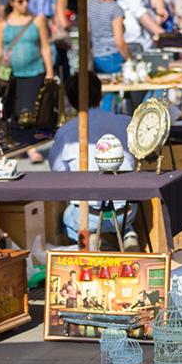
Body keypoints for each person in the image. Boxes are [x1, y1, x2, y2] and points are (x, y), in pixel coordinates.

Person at [48, 72, 137, 249]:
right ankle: (127, 232)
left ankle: (89, 242)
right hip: (125, 212)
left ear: (72, 100)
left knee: (65, 217)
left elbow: (57, 171)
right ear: (100, 94)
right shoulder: (126, 122)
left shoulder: (66, 132)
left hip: (88, 214)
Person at [0, 0, 54, 119]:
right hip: (9, 75)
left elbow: (45, 47)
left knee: (27, 112)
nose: (25, 4)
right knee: (10, 112)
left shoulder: (38, 20)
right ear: (11, 3)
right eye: (20, 1)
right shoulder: (3, 23)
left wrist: (49, 72)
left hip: (33, 72)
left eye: (27, 0)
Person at [89, 0, 131, 111]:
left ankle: (99, 119)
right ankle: (109, 123)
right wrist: (129, 58)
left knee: (99, 91)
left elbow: (88, 32)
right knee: (113, 93)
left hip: (96, 55)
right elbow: (119, 40)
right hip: (112, 56)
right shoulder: (115, 9)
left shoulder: (91, 5)